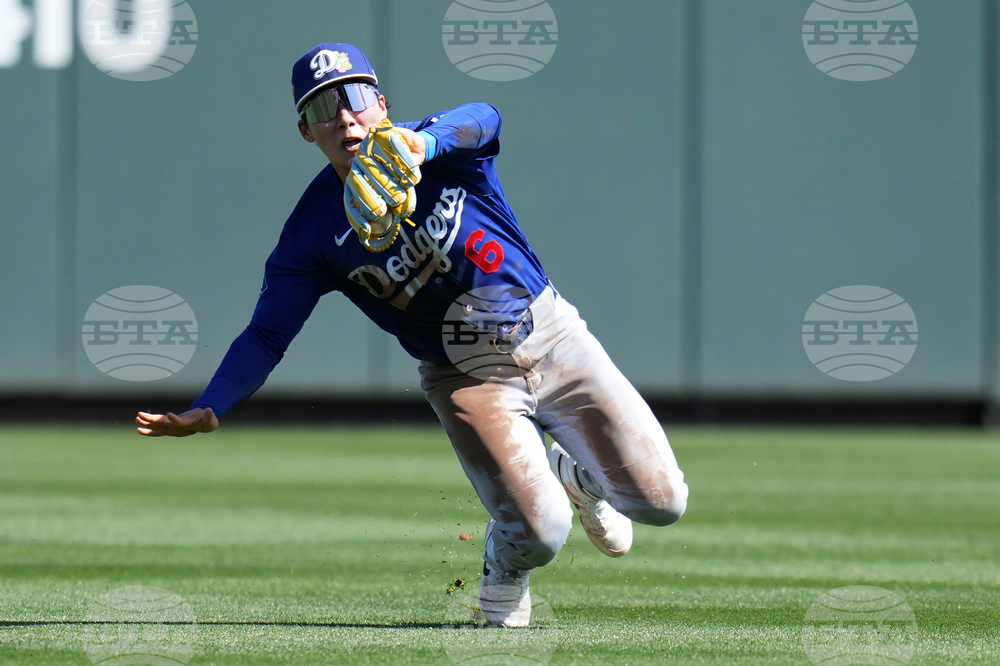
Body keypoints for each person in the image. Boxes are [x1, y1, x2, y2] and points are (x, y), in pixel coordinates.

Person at [136, 43, 688, 627]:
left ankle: (576, 474)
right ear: (305, 131)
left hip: (550, 332)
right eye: (324, 106)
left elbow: (486, 115)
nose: (344, 116)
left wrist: (424, 142)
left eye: (353, 96)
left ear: (380, 102)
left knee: (662, 504)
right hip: (465, 376)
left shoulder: (437, 147)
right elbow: (267, 335)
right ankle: (504, 570)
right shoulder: (311, 233)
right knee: (542, 532)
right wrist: (211, 403)